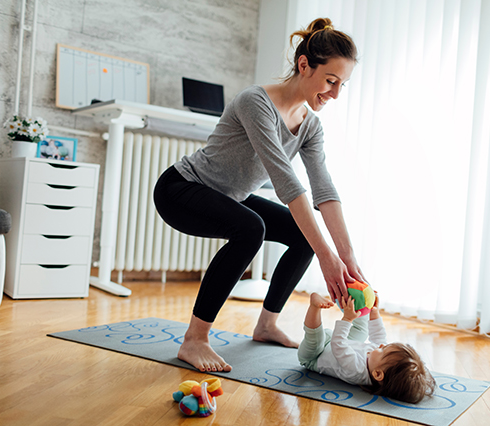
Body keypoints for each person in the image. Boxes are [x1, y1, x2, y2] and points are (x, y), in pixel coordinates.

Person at [153, 17, 364, 373]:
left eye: (342, 84)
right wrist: (327, 258)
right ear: (303, 65)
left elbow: (323, 189)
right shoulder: (256, 102)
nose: (335, 94)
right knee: (251, 228)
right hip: (181, 189)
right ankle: (194, 339)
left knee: (301, 236)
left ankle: (266, 324)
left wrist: (347, 257)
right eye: (331, 81)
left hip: (231, 196)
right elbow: (286, 182)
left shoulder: (310, 125)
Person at [298, 293, 436, 404]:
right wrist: (373, 312)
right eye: (386, 346)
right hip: (341, 344)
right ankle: (357, 303)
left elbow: (338, 344)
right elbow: (379, 336)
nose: (381, 345)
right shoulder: (378, 362)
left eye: (383, 350)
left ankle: (314, 307)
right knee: (362, 330)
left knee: (315, 338)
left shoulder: (356, 370)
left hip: (315, 356)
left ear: (377, 374)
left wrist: (347, 319)